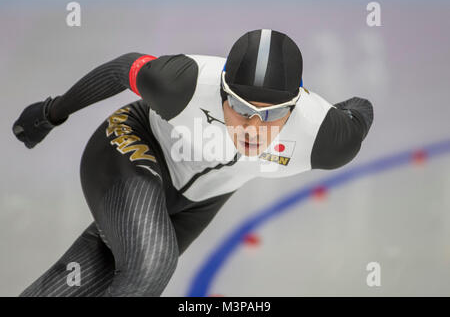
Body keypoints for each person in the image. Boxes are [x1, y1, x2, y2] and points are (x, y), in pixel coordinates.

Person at [12, 29, 373, 297]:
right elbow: (120, 70)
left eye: (271, 115)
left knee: (100, 274)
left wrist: (336, 111)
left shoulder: (324, 139)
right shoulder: (182, 83)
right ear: (221, 93)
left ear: (293, 108)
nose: (252, 127)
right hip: (134, 145)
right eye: (241, 108)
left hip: (199, 203)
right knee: (151, 262)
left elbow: (360, 111)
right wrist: (50, 113)